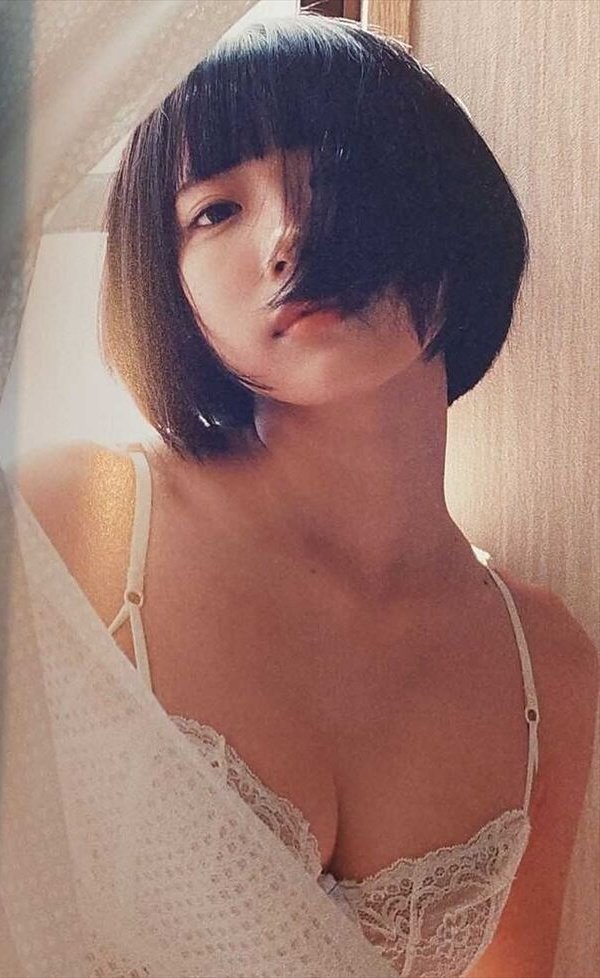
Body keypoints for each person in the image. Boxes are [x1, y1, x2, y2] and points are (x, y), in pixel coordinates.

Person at [7, 12, 598, 978]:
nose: (289, 236)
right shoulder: (77, 522)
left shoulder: (548, 666)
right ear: (167, 285)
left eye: (343, 171)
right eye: (215, 211)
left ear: (453, 207)